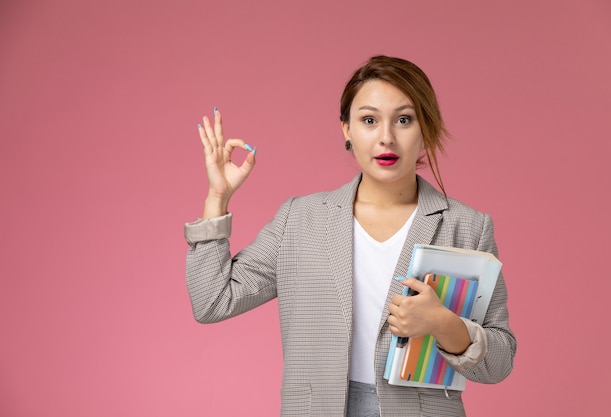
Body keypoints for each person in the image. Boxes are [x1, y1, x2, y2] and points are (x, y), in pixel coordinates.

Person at [184, 55, 516, 417]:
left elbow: (499, 362)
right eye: (369, 120)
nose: (386, 137)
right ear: (346, 128)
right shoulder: (300, 219)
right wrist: (217, 198)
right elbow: (212, 300)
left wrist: (444, 324)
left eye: (404, 120)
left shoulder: (467, 226)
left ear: (425, 128)